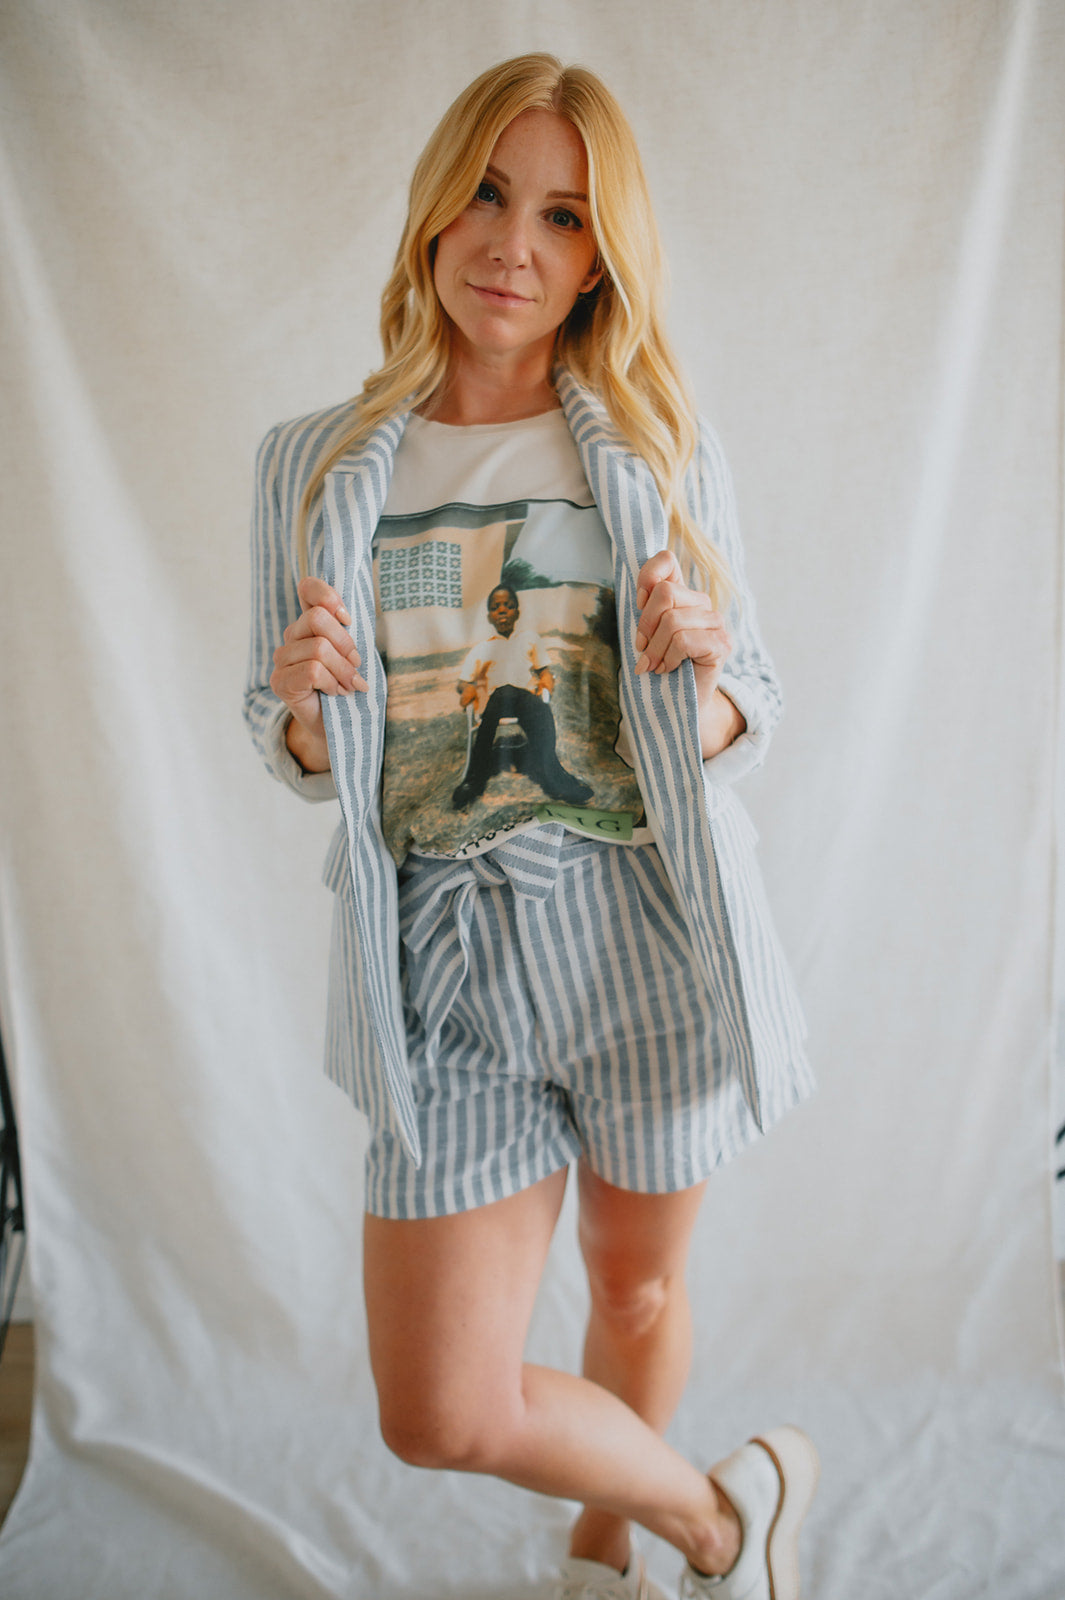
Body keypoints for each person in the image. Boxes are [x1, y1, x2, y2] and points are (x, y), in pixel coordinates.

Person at [245, 52, 817, 1600]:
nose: (513, 244)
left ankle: (606, 1553)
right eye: (490, 196)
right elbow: (286, 738)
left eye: (564, 218)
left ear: (598, 261)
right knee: (438, 1409)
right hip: (446, 957)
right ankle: (720, 1523)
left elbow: (753, 701)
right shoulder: (311, 466)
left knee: (634, 1295)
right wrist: (301, 708)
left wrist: (699, 685)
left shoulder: (655, 445)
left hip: (643, 926)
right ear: (435, 209)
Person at [452, 583, 592, 810]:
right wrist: (466, 689)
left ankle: (555, 777)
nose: (502, 610)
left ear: (517, 612)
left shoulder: (529, 638)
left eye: (508, 606)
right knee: (505, 691)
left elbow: (543, 671)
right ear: (489, 617)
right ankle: (474, 779)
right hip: (496, 705)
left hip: (526, 702)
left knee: (537, 705)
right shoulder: (482, 648)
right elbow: (464, 680)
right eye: (496, 607)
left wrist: (546, 683)